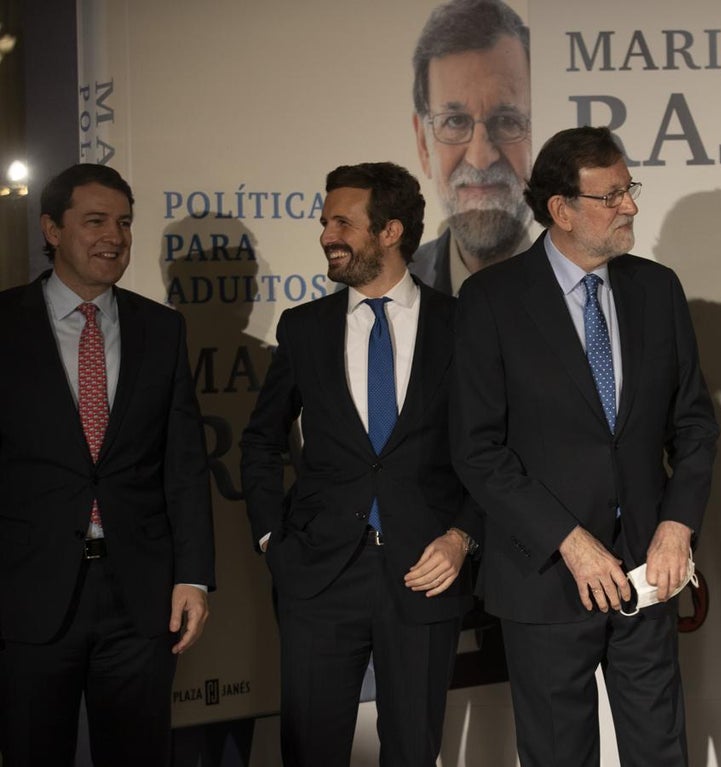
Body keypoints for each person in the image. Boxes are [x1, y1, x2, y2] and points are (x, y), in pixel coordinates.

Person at [451, 125, 719, 766]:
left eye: (630, 190)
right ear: (561, 210)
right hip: (546, 578)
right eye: (613, 196)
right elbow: (477, 448)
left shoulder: (658, 289)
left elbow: (695, 426)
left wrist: (677, 525)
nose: (630, 206)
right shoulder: (491, 300)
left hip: (646, 576)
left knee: (661, 754)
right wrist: (569, 542)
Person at [240, 162, 479, 767]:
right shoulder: (303, 329)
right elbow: (261, 442)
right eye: (325, 222)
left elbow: (493, 448)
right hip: (317, 576)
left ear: (391, 230)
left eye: (343, 222)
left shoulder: (462, 326)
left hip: (425, 573)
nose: (327, 235)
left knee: (413, 752)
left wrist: (462, 536)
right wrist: (273, 538)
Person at [0, 163, 215, 767]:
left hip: (140, 601)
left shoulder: (162, 329)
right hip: (27, 597)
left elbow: (184, 464)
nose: (114, 237)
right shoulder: (5, 324)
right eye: (94, 221)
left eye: (123, 223)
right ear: (51, 228)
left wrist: (193, 576)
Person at [409, 0, 533, 295]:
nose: (480, 159)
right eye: (454, 122)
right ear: (423, 144)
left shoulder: (588, 291)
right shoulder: (385, 290)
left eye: (506, 121)